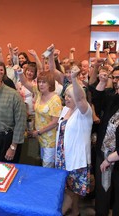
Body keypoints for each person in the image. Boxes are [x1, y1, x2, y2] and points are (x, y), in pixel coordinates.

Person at [55, 65, 93, 215]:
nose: (66, 98)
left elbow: (80, 98)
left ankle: (71, 211)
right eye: (65, 95)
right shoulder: (65, 110)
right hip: (62, 156)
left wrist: (74, 79)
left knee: (73, 190)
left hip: (76, 158)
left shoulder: (85, 112)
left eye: (70, 96)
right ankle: (73, 211)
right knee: (66, 188)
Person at [17, 65, 62, 168]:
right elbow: (24, 82)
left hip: (50, 138)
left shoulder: (55, 99)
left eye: (44, 82)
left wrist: (38, 132)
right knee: (41, 162)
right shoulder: (38, 93)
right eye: (39, 82)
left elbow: (55, 122)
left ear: (50, 84)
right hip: (40, 136)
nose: (41, 85)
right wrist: (20, 72)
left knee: (47, 166)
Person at [93, 66, 119, 216]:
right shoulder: (110, 95)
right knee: (103, 192)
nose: (116, 81)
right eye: (114, 78)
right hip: (104, 153)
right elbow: (96, 102)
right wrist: (102, 82)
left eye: (118, 78)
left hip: (115, 156)